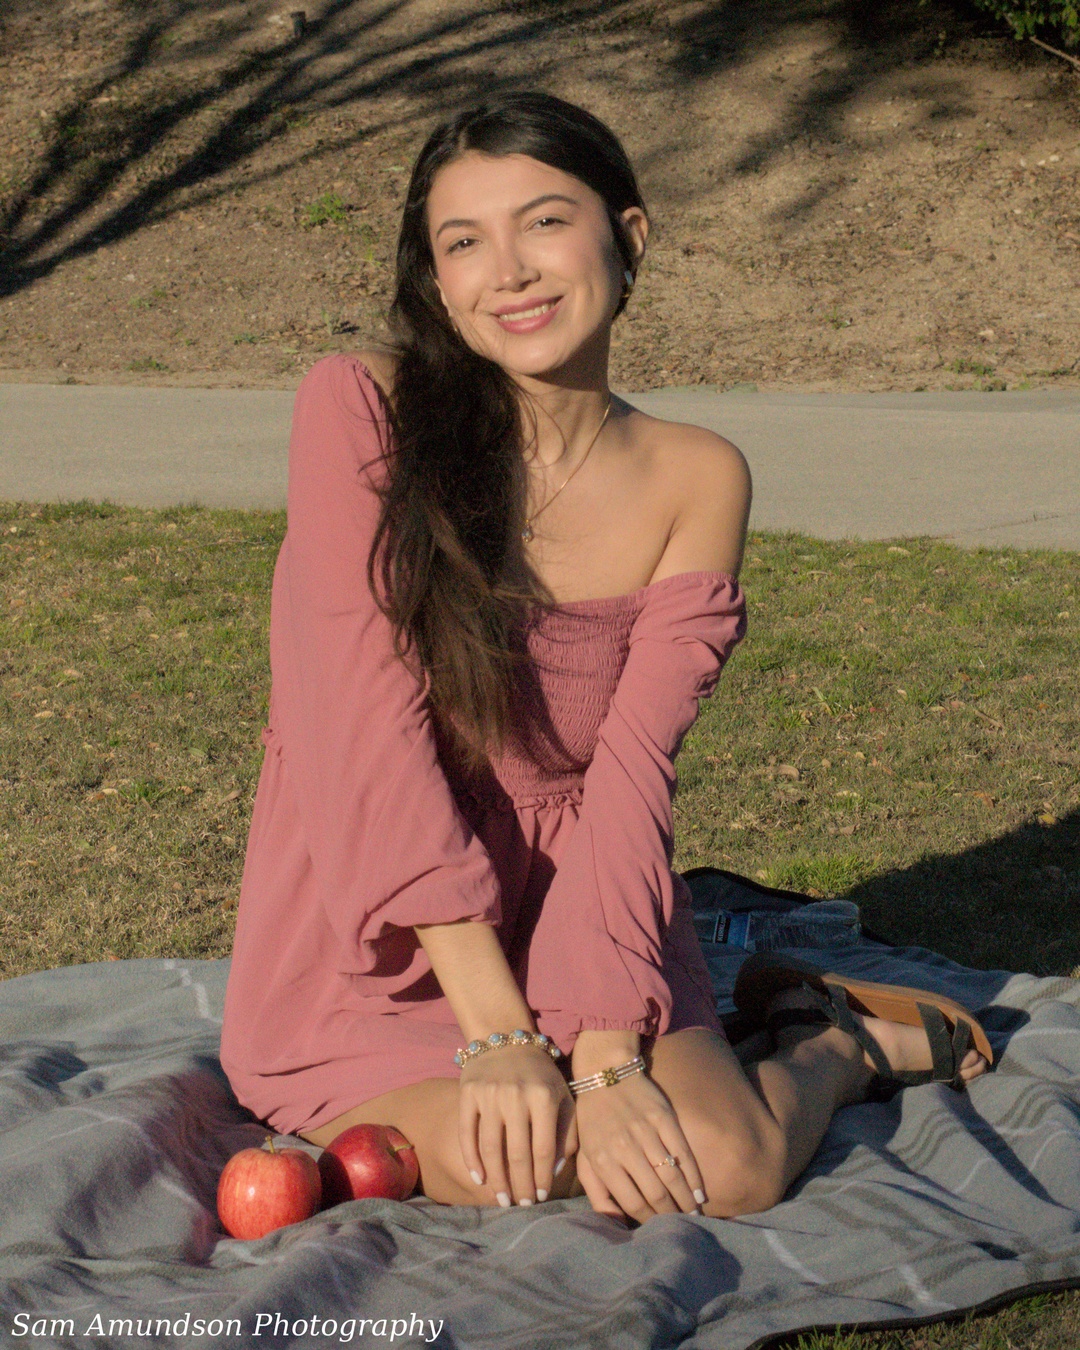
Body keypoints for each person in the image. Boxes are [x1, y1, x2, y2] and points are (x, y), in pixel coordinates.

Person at [220, 91, 990, 1226]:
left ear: (627, 238)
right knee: (520, 1164)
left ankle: (829, 1042)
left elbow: (631, 775)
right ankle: (789, 1045)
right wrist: (499, 1035)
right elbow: (359, 730)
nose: (510, 272)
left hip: (584, 897)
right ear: (437, 281)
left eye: (544, 222)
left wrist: (603, 1048)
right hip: (386, 934)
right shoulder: (363, 410)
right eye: (464, 243)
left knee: (726, 1170)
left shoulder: (697, 474)